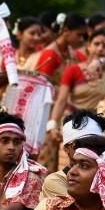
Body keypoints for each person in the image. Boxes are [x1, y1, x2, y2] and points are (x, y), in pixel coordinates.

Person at [47, 29, 105, 169]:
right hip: (73, 127)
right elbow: (61, 100)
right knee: (68, 171)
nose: (100, 48)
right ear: (88, 46)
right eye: (96, 44)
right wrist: (52, 125)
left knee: (93, 172)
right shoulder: (74, 70)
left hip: (98, 130)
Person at [36, 13, 88, 173]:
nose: (81, 39)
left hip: (67, 112)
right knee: (47, 156)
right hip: (48, 112)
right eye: (79, 34)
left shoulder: (74, 54)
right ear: (66, 31)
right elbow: (39, 87)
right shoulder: (50, 54)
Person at [41, 110, 105, 199]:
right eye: (79, 144)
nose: (87, 148)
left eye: (94, 142)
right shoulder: (55, 181)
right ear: (66, 148)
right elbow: (82, 209)